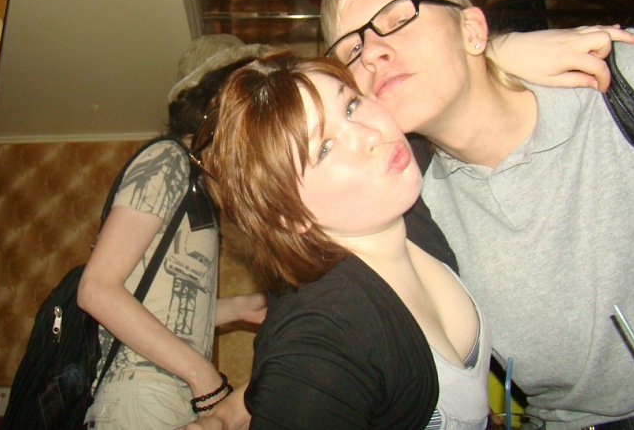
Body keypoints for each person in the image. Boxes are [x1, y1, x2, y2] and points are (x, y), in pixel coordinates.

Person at [320, 0, 634, 430]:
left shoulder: (622, 80)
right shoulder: (411, 209)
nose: (370, 53)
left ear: (472, 28)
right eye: (350, 50)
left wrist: (494, 49)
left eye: (398, 19)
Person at [193, 51, 491, 429]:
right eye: (324, 148)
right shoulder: (323, 336)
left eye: (351, 106)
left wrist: (505, 50)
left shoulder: (398, 198)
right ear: (291, 215)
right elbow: (314, 375)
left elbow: (448, 76)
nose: (371, 135)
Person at [77, 34, 270, 430]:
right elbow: (96, 289)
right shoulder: (168, 160)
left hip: (168, 395)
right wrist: (203, 376)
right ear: (212, 96)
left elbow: (166, 308)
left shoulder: (199, 181)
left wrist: (238, 307)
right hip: (142, 394)